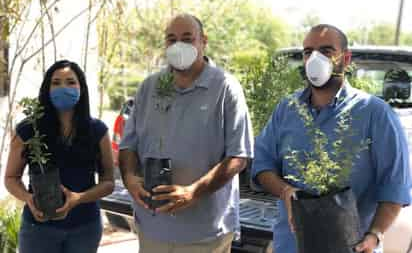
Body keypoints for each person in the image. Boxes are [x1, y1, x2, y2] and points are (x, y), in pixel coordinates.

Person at [251, 24, 411, 253]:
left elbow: (395, 187)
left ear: (345, 59)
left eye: (326, 51)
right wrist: (285, 191)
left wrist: (374, 235)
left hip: (350, 246)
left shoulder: (375, 113)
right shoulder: (287, 109)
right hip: (291, 245)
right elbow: (262, 164)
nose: (315, 58)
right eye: (308, 52)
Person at [118, 13, 253, 253]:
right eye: (171, 39)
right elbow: (128, 145)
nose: (178, 45)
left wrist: (193, 192)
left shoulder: (225, 88)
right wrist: (129, 178)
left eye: (187, 38)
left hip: (204, 232)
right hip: (153, 227)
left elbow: (238, 156)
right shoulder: (149, 88)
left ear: (203, 41)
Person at [5, 60, 114, 253]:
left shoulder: (97, 131)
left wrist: (79, 198)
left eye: (71, 82)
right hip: (38, 230)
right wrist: (28, 198)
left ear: (81, 88)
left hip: (85, 228)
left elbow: (108, 182)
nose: (63, 87)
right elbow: (11, 178)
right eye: (56, 82)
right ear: (47, 88)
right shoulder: (29, 130)